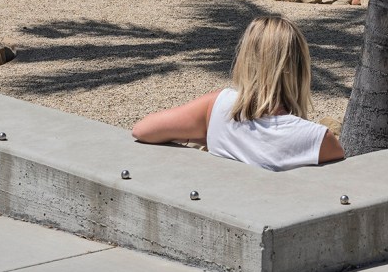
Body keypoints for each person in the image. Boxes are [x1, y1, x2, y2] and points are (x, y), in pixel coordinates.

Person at [132, 15, 343, 171]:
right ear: (300, 68)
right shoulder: (319, 141)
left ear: (246, 61)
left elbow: (143, 129)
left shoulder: (217, 106)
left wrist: (207, 134)